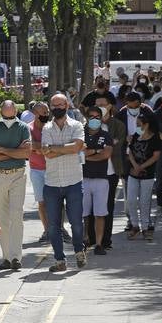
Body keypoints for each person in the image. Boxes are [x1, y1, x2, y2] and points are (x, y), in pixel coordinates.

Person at [41, 93, 87, 272]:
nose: (57, 108)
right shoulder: (46, 128)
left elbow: (77, 147)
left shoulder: (76, 125)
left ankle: (78, 251)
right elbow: (47, 153)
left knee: (76, 222)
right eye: (54, 105)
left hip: (73, 181)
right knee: (53, 226)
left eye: (60, 105)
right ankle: (60, 260)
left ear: (67, 106)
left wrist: (54, 148)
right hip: (52, 183)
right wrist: (67, 149)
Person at [0, 100, 31, 271]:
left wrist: (1, 150)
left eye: (11, 114)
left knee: (17, 216)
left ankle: (16, 257)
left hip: (18, 174)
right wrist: (14, 152)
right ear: (0, 112)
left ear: (16, 111)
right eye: (5, 113)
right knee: (1, 218)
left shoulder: (23, 127)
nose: (8, 117)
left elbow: (26, 153)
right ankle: (6, 257)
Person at [90, 93, 126, 250]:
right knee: (91, 207)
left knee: (107, 206)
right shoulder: (89, 125)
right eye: (97, 105)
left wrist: (97, 149)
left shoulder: (118, 125)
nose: (99, 108)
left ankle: (106, 240)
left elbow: (115, 146)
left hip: (111, 171)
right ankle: (92, 239)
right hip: (91, 171)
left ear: (110, 106)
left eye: (103, 104)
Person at [82, 108, 113, 256]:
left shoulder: (106, 135)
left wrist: (88, 154)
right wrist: (96, 151)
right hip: (83, 178)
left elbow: (106, 155)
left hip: (101, 179)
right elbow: (79, 154)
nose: (94, 119)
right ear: (87, 118)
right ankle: (85, 239)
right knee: (83, 213)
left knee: (100, 213)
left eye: (97, 117)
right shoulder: (80, 133)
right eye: (91, 116)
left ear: (101, 118)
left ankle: (99, 244)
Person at [126, 111, 162, 239]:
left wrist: (141, 167)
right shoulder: (135, 136)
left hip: (148, 174)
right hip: (132, 173)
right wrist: (135, 166)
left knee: (144, 201)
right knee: (131, 199)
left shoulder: (155, 138)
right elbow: (130, 151)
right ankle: (135, 225)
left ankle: (145, 228)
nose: (137, 127)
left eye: (139, 124)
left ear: (146, 125)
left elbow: (156, 156)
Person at [28, 102, 50, 241]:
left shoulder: (52, 127)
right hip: (36, 170)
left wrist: (38, 148)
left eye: (47, 112)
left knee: (57, 201)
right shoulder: (28, 128)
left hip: (53, 169)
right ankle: (47, 230)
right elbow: (30, 146)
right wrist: (47, 148)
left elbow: (57, 145)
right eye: (43, 113)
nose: (46, 115)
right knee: (42, 202)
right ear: (35, 114)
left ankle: (58, 228)